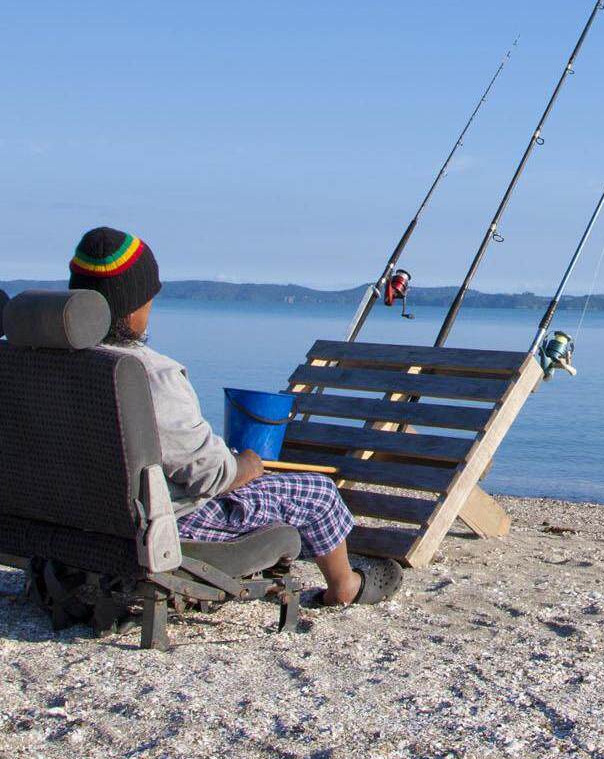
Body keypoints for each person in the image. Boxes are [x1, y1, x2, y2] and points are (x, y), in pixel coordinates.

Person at [67, 226, 400, 607]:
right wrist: (245, 465)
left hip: (81, 516)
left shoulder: (41, 361)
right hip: (162, 524)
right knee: (317, 492)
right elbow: (209, 475)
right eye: (149, 298)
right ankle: (344, 588)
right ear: (131, 305)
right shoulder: (146, 375)